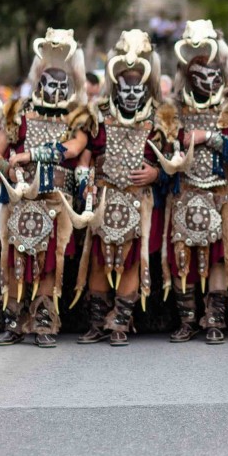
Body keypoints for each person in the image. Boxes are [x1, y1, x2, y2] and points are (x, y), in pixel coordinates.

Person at [0, 28, 93, 347]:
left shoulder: (78, 115)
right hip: (21, 200)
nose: (57, 89)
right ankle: (14, 320)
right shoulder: (18, 111)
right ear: (39, 80)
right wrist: (9, 167)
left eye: (63, 83)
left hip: (57, 200)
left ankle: (44, 322)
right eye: (51, 82)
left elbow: (74, 149)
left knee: (51, 261)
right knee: (16, 259)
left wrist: (31, 155)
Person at [74, 30, 169, 346]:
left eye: (136, 86)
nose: (130, 93)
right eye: (125, 85)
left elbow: (173, 161)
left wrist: (156, 174)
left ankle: (121, 321)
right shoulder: (98, 114)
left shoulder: (160, 117)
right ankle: (97, 321)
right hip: (103, 197)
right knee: (99, 259)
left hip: (139, 201)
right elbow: (86, 155)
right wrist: (84, 183)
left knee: (131, 259)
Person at [155, 20, 228, 344]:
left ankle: (215, 318)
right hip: (184, 190)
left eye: (212, 75)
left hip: (222, 191)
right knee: (182, 256)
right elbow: (165, 147)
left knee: (219, 255)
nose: (207, 81)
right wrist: (175, 148)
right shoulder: (172, 108)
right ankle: (188, 319)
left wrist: (208, 136)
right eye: (199, 76)